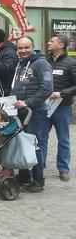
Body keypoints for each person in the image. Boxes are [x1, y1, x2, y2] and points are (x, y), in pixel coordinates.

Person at [12, 36, 53, 192]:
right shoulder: (20, 64)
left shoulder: (41, 63)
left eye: (26, 47)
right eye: (20, 48)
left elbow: (47, 90)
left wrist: (27, 102)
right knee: (22, 144)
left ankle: (38, 180)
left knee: (34, 145)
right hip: (20, 111)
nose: (23, 51)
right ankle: (24, 176)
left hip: (35, 112)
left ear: (33, 47)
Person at [46, 34, 76, 182]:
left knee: (63, 138)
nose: (48, 43)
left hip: (62, 107)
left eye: (52, 41)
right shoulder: (45, 61)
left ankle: (63, 168)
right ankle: (39, 167)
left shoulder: (71, 63)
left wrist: (62, 93)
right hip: (44, 107)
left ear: (61, 45)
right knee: (41, 138)